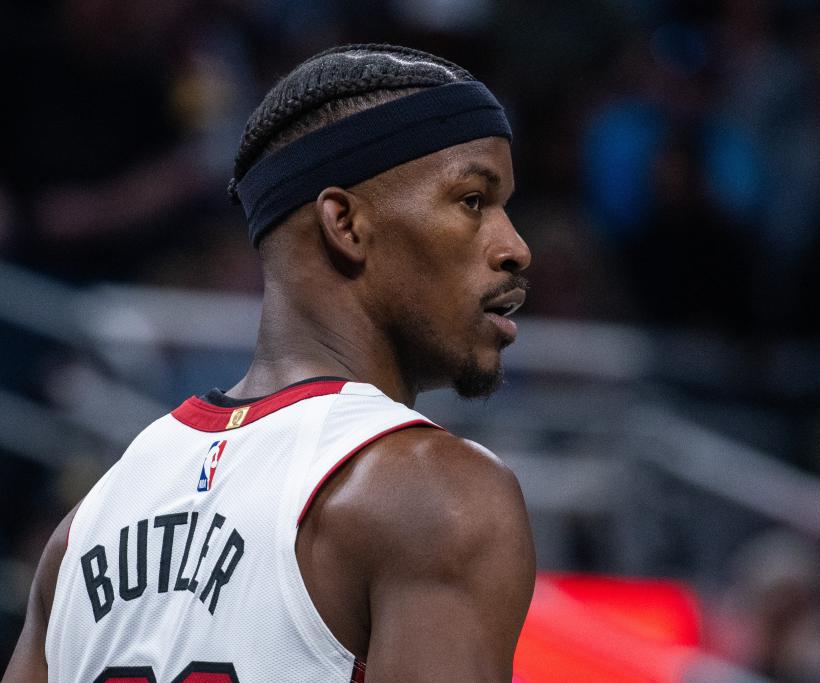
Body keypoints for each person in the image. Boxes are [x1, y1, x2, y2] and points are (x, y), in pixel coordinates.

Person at [3, 44, 536, 682]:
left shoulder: (82, 530)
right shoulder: (436, 493)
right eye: (474, 200)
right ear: (345, 223)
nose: (515, 248)